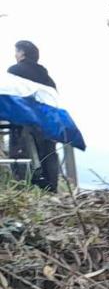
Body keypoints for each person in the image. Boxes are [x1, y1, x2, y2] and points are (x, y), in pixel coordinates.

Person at [6, 40, 60, 191]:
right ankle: (51, 189)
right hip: (48, 120)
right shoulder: (47, 78)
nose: (15, 54)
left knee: (20, 156)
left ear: (22, 53)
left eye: (16, 51)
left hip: (24, 121)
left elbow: (10, 95)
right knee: (48, 155)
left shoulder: (15, 71)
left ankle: (22, 189)